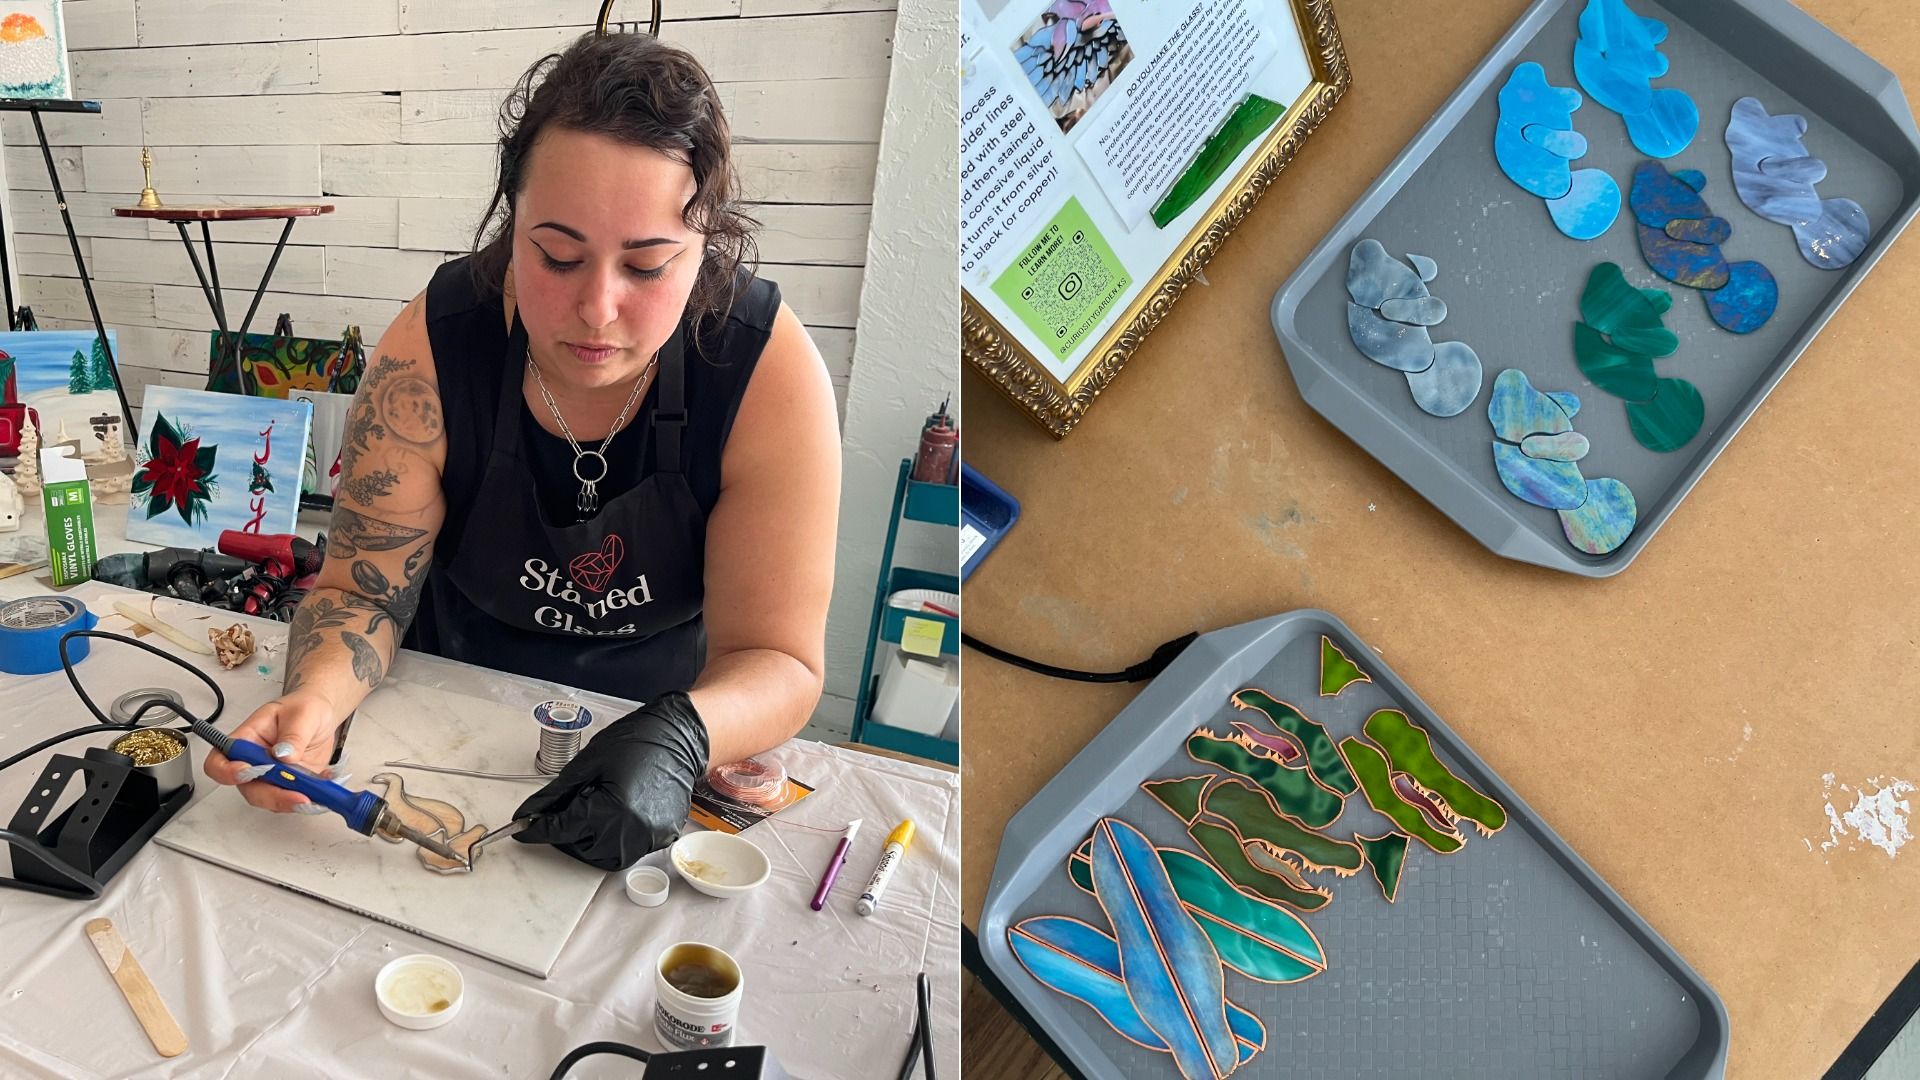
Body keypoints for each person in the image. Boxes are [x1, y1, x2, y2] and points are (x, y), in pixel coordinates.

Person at [202, 31, 842, 871]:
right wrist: (316, 704)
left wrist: (684, 734)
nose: (598, 308)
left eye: (648, 267)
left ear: (706, 246)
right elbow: (361, 587)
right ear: (512, 221)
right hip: (436, 710)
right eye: (557, 255)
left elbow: (780, 658)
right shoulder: (435, 347)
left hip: (645, 730)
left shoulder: (765, 368)